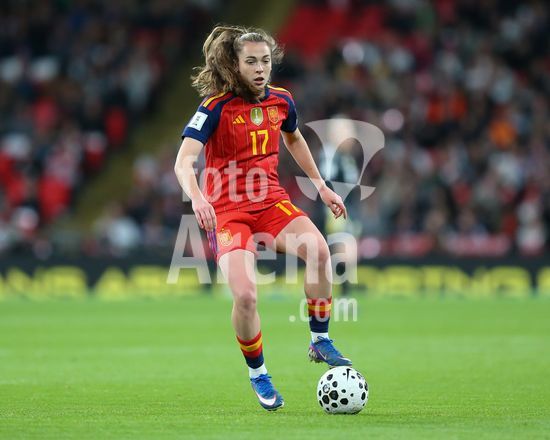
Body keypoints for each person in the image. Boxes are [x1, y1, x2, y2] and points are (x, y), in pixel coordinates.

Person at [174, 25, 351, 412]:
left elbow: (294, 137)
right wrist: (197, 197)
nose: (259, 69)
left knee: (320, 252)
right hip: (227, 211)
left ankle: (319, 339)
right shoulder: (215, 107)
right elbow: (183, 160)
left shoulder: (282, 101)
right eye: (251, 61)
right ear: (235, 65)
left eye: (265, 61)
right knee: (246, 296)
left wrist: (321, 187)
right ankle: (259, 374)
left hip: (270, 203)